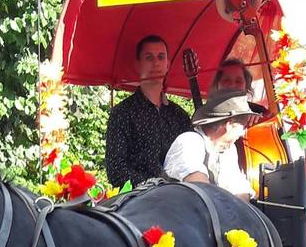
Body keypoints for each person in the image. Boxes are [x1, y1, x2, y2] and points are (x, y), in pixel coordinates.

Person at [105, 35, 192, 186]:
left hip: (178, 198)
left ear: (167, 65)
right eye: (149, 57)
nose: (156, 63)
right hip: (138, 201)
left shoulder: (180, 116)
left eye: (160, 57)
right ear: (138, 65)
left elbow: (191, 160)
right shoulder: (122, 113)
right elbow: (116, 171)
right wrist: (156, 185)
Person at [163, 90, 256, 200]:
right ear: (230, 125)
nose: (242, 133)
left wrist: (241, 212)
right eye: (243, 127)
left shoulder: (229, 150)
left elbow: (238, 187)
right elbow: (198, 183)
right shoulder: (190, 141)